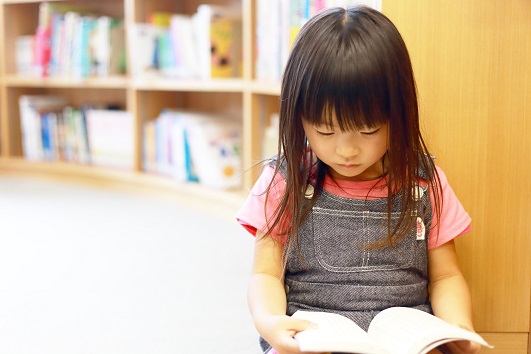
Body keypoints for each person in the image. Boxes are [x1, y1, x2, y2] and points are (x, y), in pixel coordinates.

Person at [237, 6, 480, 354]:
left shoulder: (424, 183)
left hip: (404, 340)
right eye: (325, 130)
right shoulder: (283, 181)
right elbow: (264, 274)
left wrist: (458, 326)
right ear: (298, 117)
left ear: (398, 113)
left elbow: (446, 276)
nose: (346, 151)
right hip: (312, 336)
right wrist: (270, 321)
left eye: (368, 130)